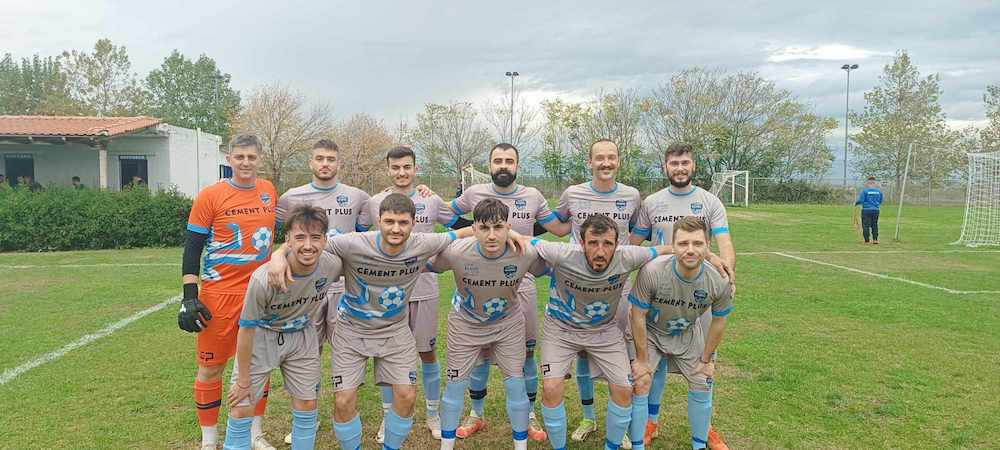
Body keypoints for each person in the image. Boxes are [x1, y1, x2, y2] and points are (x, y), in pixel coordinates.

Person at [267, 194, 489, 450]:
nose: (396, 229)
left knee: (406, 396)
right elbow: (311, 244)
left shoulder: (423, 242)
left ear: (413, 223)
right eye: (389, 221)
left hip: (395, 331)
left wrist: (513, 234)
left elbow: (465, 232)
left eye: (403, 223)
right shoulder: (353, 243)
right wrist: (278, 255)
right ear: (379, 220)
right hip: (352, 331)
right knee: (343, 400)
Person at [447, 143, 563, 441]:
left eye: (509, 161)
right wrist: (420, 195)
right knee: (480, 353)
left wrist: (578, 212)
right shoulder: (474, 192)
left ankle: (529, 413)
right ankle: (476, 413)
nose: (503, 165)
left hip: (521, 285)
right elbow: (447, 215)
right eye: (497, 160)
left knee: (526, 353)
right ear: (489, 164)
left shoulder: (533, 195)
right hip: (480, 283)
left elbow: (559, 229)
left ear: (517, 165)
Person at [530, 214, 669, 450]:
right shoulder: (562, 253)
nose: (601, 251)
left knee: (624, 388)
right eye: (593, 243)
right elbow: (528, 241)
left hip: (604, 331)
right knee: (551, 388)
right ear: (581, 242)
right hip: (561, 329)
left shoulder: (628, 256)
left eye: (607, 244)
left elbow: (666, 249)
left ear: (617, 244)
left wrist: (712, 258)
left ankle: (611, 446)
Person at [629, 143, 735, 449]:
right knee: (654, 364)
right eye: (674, 163)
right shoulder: (652, 202)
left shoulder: (710, 201)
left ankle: (705, 427)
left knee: (705, 364)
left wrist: (728, 272)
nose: (679, 168)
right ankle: (650, 422)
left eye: (685, 162)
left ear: (693, 165)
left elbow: (724, 242)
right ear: (665, 167)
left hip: (697, 294)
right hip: (659, 290)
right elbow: (634, 244)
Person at [178, 134, 279, 450]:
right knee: (211, 368)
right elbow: (192, 248)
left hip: (261, 294)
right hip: (219, 295)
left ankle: (255, 434)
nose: (246, 163)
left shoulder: (269, 191)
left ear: (259, 159)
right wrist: (189, 296)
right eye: (240, 157)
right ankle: (209, 441)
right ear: (229, 159)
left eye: (251, 157)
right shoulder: (210, 196)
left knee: (259, 367)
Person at [358, 146, 463, 441]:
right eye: (396, 167)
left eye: (407, 167)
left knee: (427, 352)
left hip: (425, 288)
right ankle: (388, 417)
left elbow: (461, 227)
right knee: (386, 354)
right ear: (388, 169)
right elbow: (358, 232)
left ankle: (432, 413)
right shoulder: (375, 202)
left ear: (416, 168)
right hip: (387, 292)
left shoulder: (431, 200)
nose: (401, 172)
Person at [428, 198, 546, 450]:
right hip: (465, 325)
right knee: (455, 387)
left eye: (498, 227)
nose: (491, 235)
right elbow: (422, 263)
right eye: (484, 228)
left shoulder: (525, 253)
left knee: (515, 384)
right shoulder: (456, 252)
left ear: (509, 228)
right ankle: (447, 446)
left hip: (507, 324)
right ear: (474, 229)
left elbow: (560, 266)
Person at [221, 205, 342, 450]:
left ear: (325, 240)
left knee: (307, 404)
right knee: (242, 405)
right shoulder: (263, 279)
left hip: (302, 335)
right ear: (287, 239)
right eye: (300, 237)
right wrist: (243, 380)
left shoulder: (332, 265)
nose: (308, 245)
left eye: (315, 237)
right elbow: (246, 330)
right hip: (262, 336)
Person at [855, 176, 884, 244]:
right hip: (876, 210)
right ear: (875, 183)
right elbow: (880, 201)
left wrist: (856, 203)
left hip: (866, 210)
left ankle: (867, 240)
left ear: (868, 183)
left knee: (865, 225)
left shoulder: (865, 191)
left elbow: (861, 200)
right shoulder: (879, 192)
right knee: (874, 224)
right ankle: (875, 239)